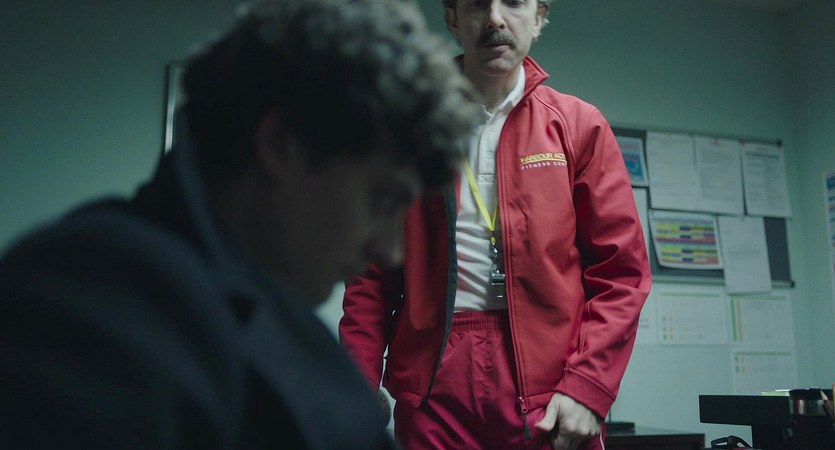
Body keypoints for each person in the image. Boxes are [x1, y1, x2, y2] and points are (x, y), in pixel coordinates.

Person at [0, 0, 482, 448]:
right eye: (382, 199)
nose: (391, 251)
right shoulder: (85, 301)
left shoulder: (286, 325)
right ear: (281, 145)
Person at [339, 0, 652, 449]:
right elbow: (370, 276)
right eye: (476, 4)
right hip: (433, 388)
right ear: (453, 18)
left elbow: (621, 274)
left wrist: (589, 388)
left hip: (550, 388)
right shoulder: (405, 133)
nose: (494, 18)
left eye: (514, 3)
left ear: (539, 18)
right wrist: (356, 380)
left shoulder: (578, 126)